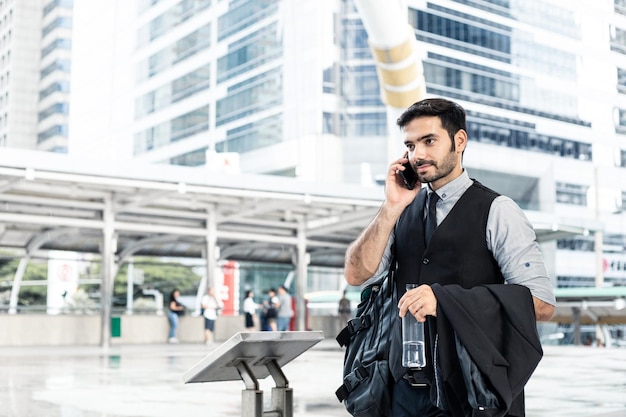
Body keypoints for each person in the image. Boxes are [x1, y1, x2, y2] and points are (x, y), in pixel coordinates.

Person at [343, 98, 556, 416]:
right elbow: (356, 274)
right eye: (411, 145)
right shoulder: (401, 211)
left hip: (470, 392)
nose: (419, 155)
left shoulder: (498, 211)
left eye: (429, 141)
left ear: (459, 141)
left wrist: (445, 301)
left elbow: (541, 304)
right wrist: (390, 206)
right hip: (402, 393)